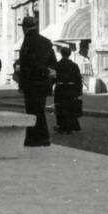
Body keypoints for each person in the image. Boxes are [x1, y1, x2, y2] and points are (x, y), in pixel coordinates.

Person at [16, 15, 57, 146]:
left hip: (31, 82)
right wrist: (48, 74)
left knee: (33, 111)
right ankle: (40, 137)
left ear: (24, 28)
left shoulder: (27, 41)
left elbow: (27, 64)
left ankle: (38, 138)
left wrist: (21, 84)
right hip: (44, 82)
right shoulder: (46, 41)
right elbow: (53, 62)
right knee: (39, 109)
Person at [53, 43, 83, 134]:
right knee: (70, 108)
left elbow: (53, 78)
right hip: (71, 89)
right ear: (69, 54)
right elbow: (78, 79)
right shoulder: (74, 65)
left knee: (60, 108)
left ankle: (62, 126)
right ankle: (70, 128)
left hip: (60, 89)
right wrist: (79, 91)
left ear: (61, 54)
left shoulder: (57, 65)